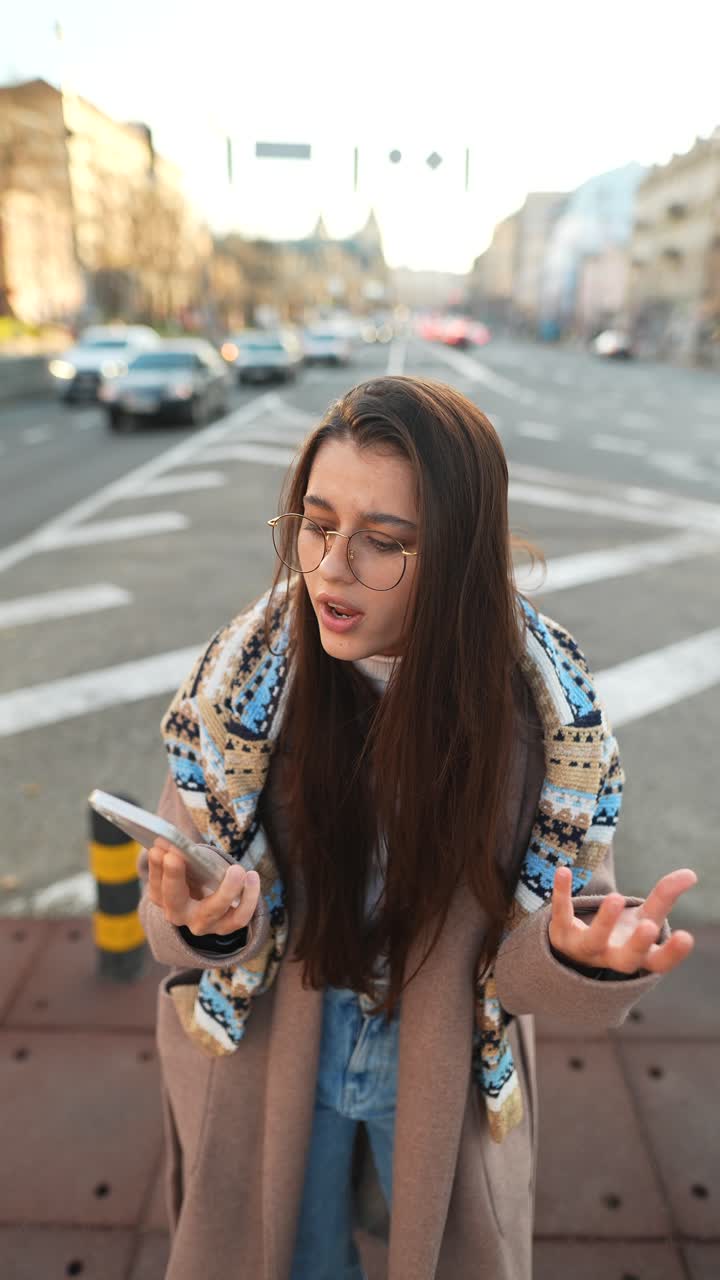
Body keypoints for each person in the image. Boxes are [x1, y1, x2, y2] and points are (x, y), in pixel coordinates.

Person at [139, 375, 697, 1280]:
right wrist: (208, 920)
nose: (329, 569)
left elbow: (526, 963)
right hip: (275, 1048)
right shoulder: (242, 686)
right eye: (316, 525)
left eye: (384, 542)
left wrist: (580, 957)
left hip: (441, 1069)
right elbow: (182, 903)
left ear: (462, 557)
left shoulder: (545, 727)